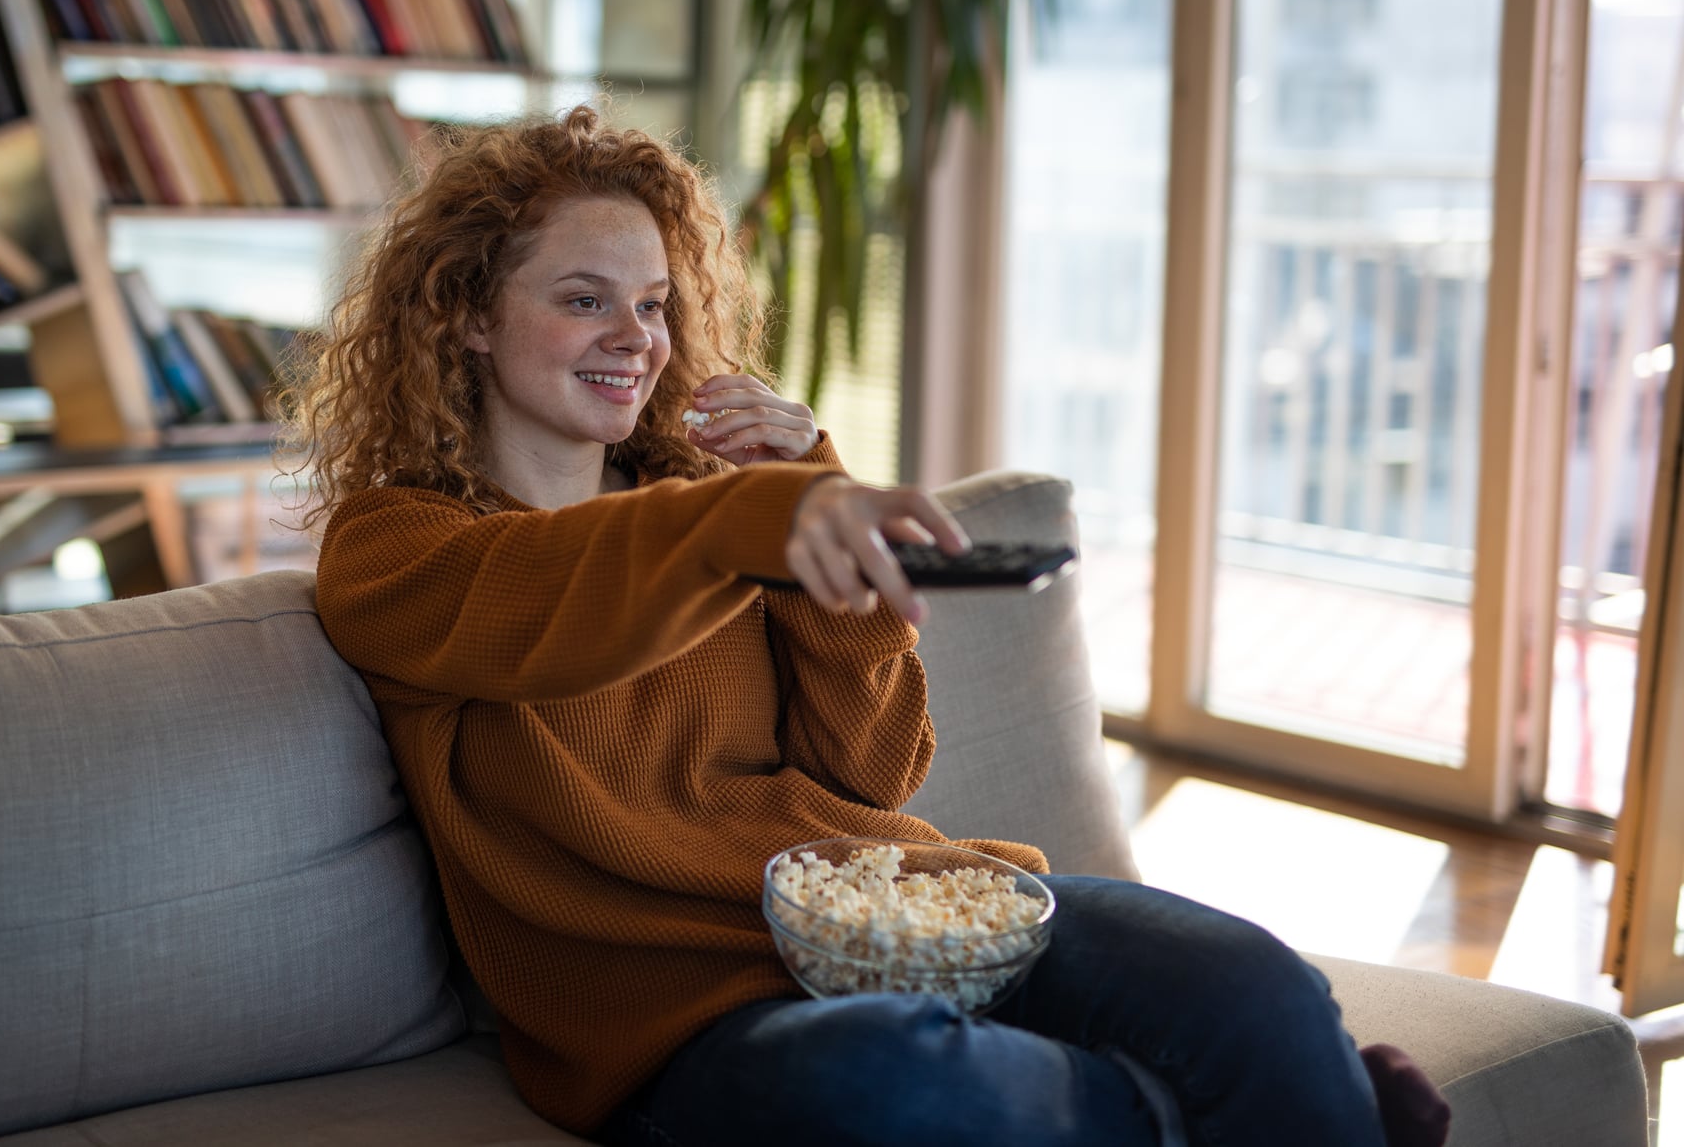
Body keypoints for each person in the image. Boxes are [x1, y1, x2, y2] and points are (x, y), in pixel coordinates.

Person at [291, 107, 1451, 1147]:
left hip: (895, 912)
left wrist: (805, 496)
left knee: (1245, 982)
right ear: (469, 319)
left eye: (651, 304)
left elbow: (872, 772)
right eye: (583, 298)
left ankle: (1274, 1097)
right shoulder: (398, 548)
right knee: (899, 1088)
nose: (636, 338)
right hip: (682, 1022)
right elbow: (556, 608)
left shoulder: (711, 513)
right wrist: (754, 518)